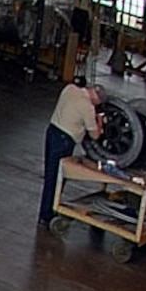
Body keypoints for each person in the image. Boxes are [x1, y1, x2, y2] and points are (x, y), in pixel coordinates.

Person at [41, 79, 104, 227]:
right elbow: (95, 135)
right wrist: (100, 120)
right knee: (57, 178)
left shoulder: (69, 89)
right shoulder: (88, 107)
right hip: (64, 141)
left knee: (50, 175)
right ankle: (47, 215)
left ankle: (47, 211)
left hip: (52, 132)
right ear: (96, 99)